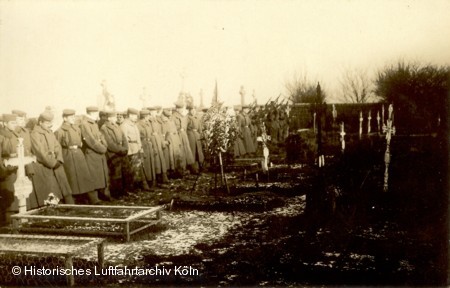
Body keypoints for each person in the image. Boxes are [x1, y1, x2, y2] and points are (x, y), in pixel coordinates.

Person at [29, 111, 74, 208]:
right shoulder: (35, 134)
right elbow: (39, 151)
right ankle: (53, 208)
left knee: (64, 186)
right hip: (45, 165)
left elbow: (57, 146)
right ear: (40, 122)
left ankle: (69, 206)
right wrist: (52, 163)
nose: (50, 125)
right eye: (47, 122)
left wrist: (59, 159)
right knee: (51, 188)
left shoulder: (50, 132)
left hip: (56, 162)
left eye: (50, 122)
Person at [55, 109, 99, 204]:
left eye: (74, 117)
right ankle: (75, 199)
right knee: (72, 178)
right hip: (68, 155)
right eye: (70, 117)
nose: (73, 119)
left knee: (85, 176)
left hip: (79, 154)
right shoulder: (60, 131)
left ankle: (92, 199)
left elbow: (81, 141)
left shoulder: (77, 128)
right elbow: (57, 145)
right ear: (64, 118)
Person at [80, 106, 111, 201]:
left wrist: (104, 145)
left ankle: (103, 195)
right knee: (93, 176)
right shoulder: (85, 124)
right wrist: (102, 148)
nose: (96, 114)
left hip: (98, 152)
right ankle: (94, 198)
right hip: (92, 153)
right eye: (95, 113)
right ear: (90, 113)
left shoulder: (93, 122)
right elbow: (90, 140)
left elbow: (100, 136)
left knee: (101, 175)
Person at [100, 111, 129, 198]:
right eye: (113, 117)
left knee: (125, 172)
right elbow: (109, 143)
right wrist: (120, 150)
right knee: (116, 174)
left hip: (121, 151)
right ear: (108, 118)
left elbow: (124, 138)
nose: (115, 118)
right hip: (113, 153)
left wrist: (125, 148)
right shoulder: (104, 128)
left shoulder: (117, 126)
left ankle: (123, 191)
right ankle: (116, 193)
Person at [120, 108, 151, 191]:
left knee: (139, 168)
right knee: (133, 170)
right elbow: (125, 140)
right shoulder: (124, 125)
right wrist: (128, 151)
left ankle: (142, 186)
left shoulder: (133, 124)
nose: (136, 117)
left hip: (136, 148)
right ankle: (135, 187)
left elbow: (138, 138)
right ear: (130, 115)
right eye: (134, 116)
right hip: (131, 150)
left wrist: (140, 148)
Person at [172, 100, 196, 174]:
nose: (182, 110)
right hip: (178, 136)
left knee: (186, 151)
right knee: (180, 152)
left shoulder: (183, 116)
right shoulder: (173, 117)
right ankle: (181, 169)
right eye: (181, 108)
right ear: (177, 109)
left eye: (182, 108)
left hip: (184, 135)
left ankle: (185, 168)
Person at [148, 106, 170, 186]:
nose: (153, 113)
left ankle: (163, 177)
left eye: (154, 112)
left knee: (161, 160)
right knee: (156, 161)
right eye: (151, 112)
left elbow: (160, 132)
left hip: (159, 141)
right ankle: (157, 179)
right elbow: (148, 132)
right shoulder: (149, 121)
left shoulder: (157, 120)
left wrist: (162, 142)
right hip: (153, 142)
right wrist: (152, 135)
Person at [137, 109, 156, 190]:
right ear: (144, 117)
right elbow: (139, 137)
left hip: (149, 144)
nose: (149, 117)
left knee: (151, 162)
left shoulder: (148, 123)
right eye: (148, 116)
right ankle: (147, 183)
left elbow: (150, 134)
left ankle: (152, 182)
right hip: (143, 144)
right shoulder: (138, 125)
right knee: (146, 164)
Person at [186, 104, 204, 172]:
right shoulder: (187, 118)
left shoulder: (197, 118)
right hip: (190, 136)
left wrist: (200, 134)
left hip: (197, 136)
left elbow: (200, 128)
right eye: (191, 110)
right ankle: (193, 168)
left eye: (194, 110)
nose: (193, 111)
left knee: (199, 151)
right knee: (192, 151)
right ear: (189, 110)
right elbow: (185, 128)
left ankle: (200, 165)